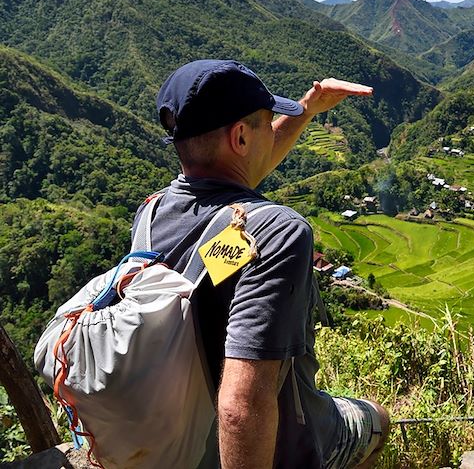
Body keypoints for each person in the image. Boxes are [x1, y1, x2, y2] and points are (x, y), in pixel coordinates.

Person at [134, 59, 390, 468]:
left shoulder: (150, 214)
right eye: (266, 123)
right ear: (239, 136)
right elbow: (240, 408)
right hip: (276, 443)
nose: (272, 134)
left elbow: (239, 174)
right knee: (376, 420)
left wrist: (306, 109)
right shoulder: (277, 232)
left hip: (174, 432)